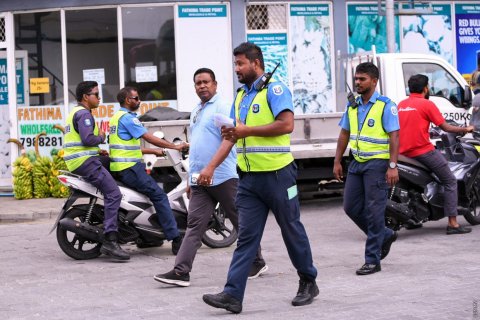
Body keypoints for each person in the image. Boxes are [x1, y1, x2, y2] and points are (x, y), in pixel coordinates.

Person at [202, 42, 318, 314]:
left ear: (255, 63)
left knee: (291, 230)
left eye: (240, 64)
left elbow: (286, 124)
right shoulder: (241, 96)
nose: (237, 70)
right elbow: (232, 136)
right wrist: (210, 168)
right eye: (235, 64)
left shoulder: (276, 90)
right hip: (250, 180)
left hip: (279, 176)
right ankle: (232, 295)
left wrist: (246, 130)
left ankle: (308, 280)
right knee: (246, 238)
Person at [153, 68, 267, 287]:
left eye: (206, 82)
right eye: (198, 83)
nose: (202, 86)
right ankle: (181, 272)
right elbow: (197, 147)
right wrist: (190, 179)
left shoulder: (223, 107)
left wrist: (212, 168)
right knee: (194, 225)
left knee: (240, 221)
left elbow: (230, 139)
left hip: (224, 176)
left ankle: (257, 261)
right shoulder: (197, 110)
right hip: (200, 180)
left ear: (215, 84)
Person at [333, 62, 399, 276]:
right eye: (356, 79)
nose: (357, 82)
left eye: (362, 79)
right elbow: (344, 133)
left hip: (377, 165)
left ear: (374, 81)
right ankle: (385, 235)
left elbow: (394, 136)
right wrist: (337, 161)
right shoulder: (352, 106)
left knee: (374, 211)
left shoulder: (385, 105)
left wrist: (392, 165)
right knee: (350, 207)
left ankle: (372, 260)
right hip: (356, 163)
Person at [109, 87, 188, 254]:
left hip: (120, 167)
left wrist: (153, 151)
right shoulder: (129, 118)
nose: (139, 101)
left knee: (146, 197)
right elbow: (148, 137)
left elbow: (127, 147)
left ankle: (147, 237)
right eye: (136, 98)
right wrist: (174, 146)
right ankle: (175, 238)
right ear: (128, 100)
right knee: (159, 196)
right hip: (130, 168)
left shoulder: (115, 118)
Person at [397, 74, 473, 235]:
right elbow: (446, 128)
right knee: (450, 180)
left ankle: (412, 219)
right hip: (421, 151)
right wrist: (465, 129)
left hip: (402, 153)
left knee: (415, 184)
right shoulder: (427, 104)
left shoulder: (401, 105)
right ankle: (453, 223)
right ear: (425, 89)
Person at [63, 81, 129, 261]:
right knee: (113, 193)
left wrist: (97, 150)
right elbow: (87, 138)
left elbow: (80, 141)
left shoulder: (75, 112)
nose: (99, 98)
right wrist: (101, 137)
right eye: (96, 95)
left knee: (112, 165)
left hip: (80, 160)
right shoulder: (84, 114)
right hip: (85, 162)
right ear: (86, 97)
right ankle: (111, 239)